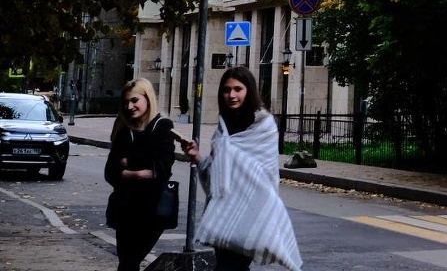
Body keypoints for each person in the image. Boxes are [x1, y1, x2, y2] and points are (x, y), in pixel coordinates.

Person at [180, 66, 302, 271]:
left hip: (250, 216)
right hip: (224, 216)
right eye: (227, 90)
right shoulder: (224, 127)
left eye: (238, 89)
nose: (231, 95)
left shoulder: (263, 125)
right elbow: (217, 175)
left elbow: (265, 175)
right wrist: (198, 157)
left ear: (249, 91)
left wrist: (230, 155)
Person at [104, 78, 176, 271]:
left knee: (129, 262)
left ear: (147, 99)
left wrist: (128, 167)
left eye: (135, 100)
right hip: (125, 209)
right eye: (126, 102)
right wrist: (140, 173)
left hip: (152, 210)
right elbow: (110, 172)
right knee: (127, 263)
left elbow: (161, 170)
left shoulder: (163, 127)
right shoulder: (124, 129)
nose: (130, 106)